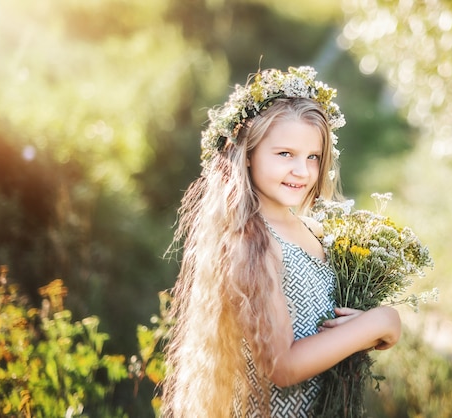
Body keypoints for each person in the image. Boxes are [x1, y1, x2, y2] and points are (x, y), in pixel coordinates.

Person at [161, 66, 401, 417]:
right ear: (248, 154)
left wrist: (361, 327)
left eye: (312, 157)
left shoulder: (306, 228)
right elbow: (283, 366)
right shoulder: (251, 241)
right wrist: (380, 322)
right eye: (285, 154)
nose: (302, 171)